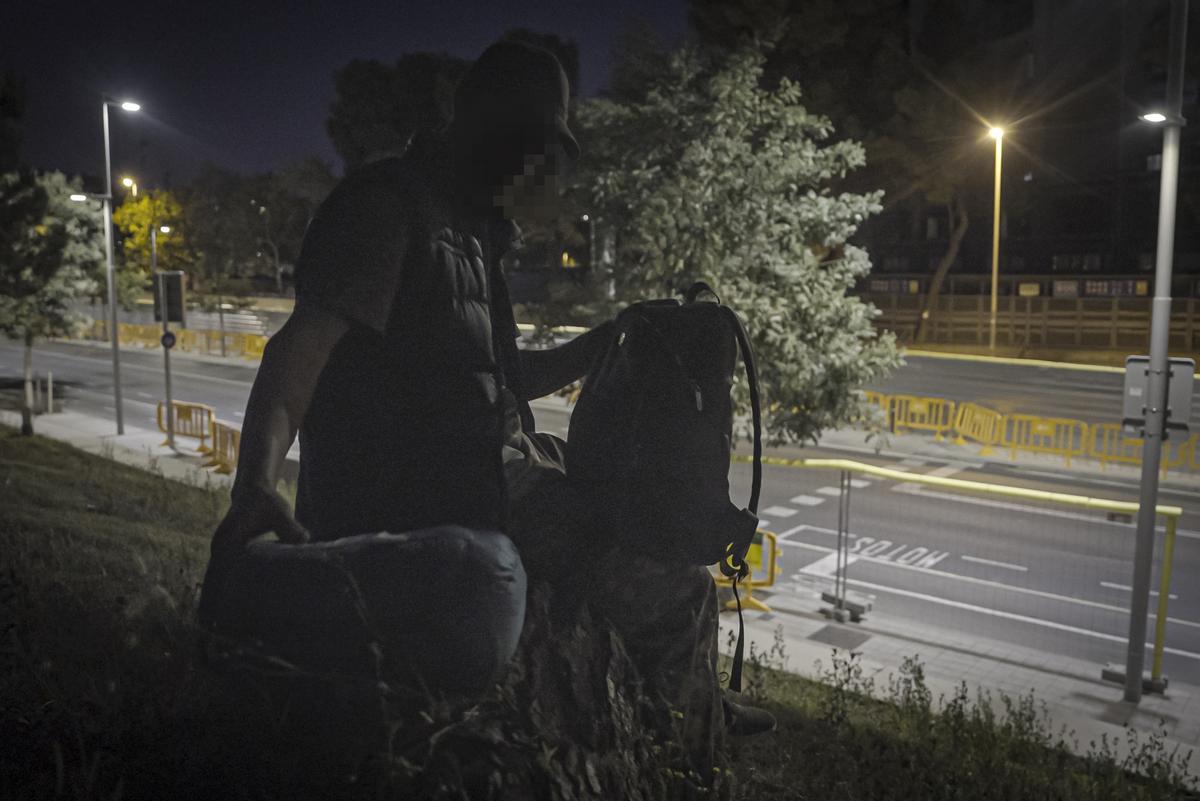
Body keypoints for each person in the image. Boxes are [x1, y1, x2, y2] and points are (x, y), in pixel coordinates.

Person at [210, 38, 772, 775]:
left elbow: (498, 380)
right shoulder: (387, 210)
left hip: (487, 473)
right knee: (678, 586)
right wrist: (255, 482)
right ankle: (691, 754)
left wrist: (598, 345)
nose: (539, 170)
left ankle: (690, 691)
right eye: (529, 143)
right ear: (477, 124)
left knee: (651, 507)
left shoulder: (471, 235)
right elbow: (299, 352)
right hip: (437, 495)